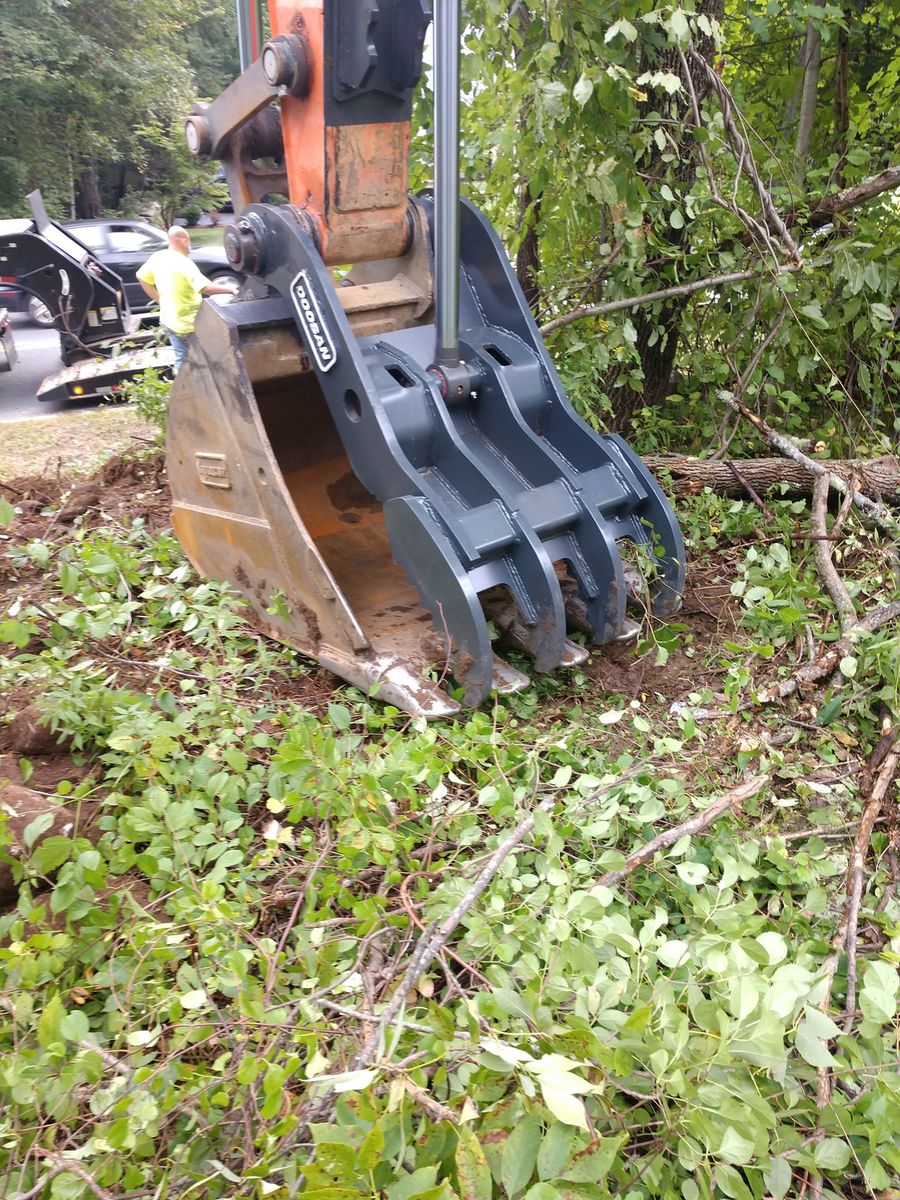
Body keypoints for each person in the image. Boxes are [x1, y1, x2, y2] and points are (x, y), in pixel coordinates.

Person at [136, 227, 238, 373]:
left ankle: (185, 388)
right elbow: (206, 288)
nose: (189, 244)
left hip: (169, 320)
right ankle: (202, 389)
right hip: (189, 325)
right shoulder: (184, 264)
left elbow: (142, 277)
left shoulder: (158, 257)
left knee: (181, 359)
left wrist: (159, 300)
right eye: (188, 240)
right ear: (184, 240)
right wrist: (231, 290)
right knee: (206, 359)